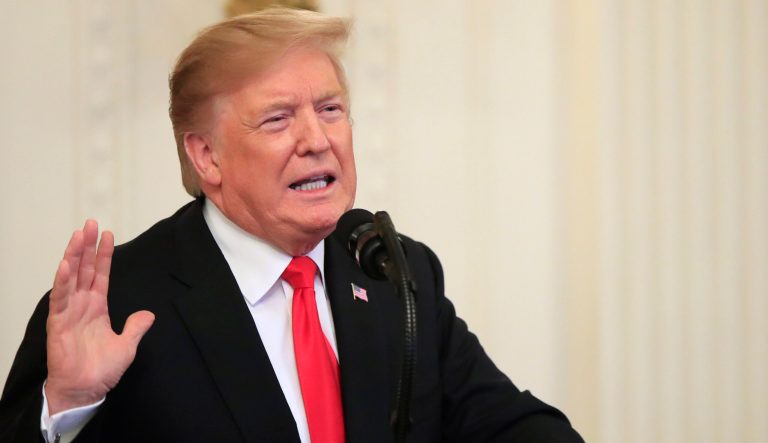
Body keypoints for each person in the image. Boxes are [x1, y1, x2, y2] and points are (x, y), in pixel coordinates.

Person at [0, 8, 583, 443]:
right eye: (279, 119)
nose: (317, 139)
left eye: (330, 109)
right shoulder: (118, 302)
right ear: (207, 157)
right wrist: (67, 404)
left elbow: (510, 425)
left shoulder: (394, 274)